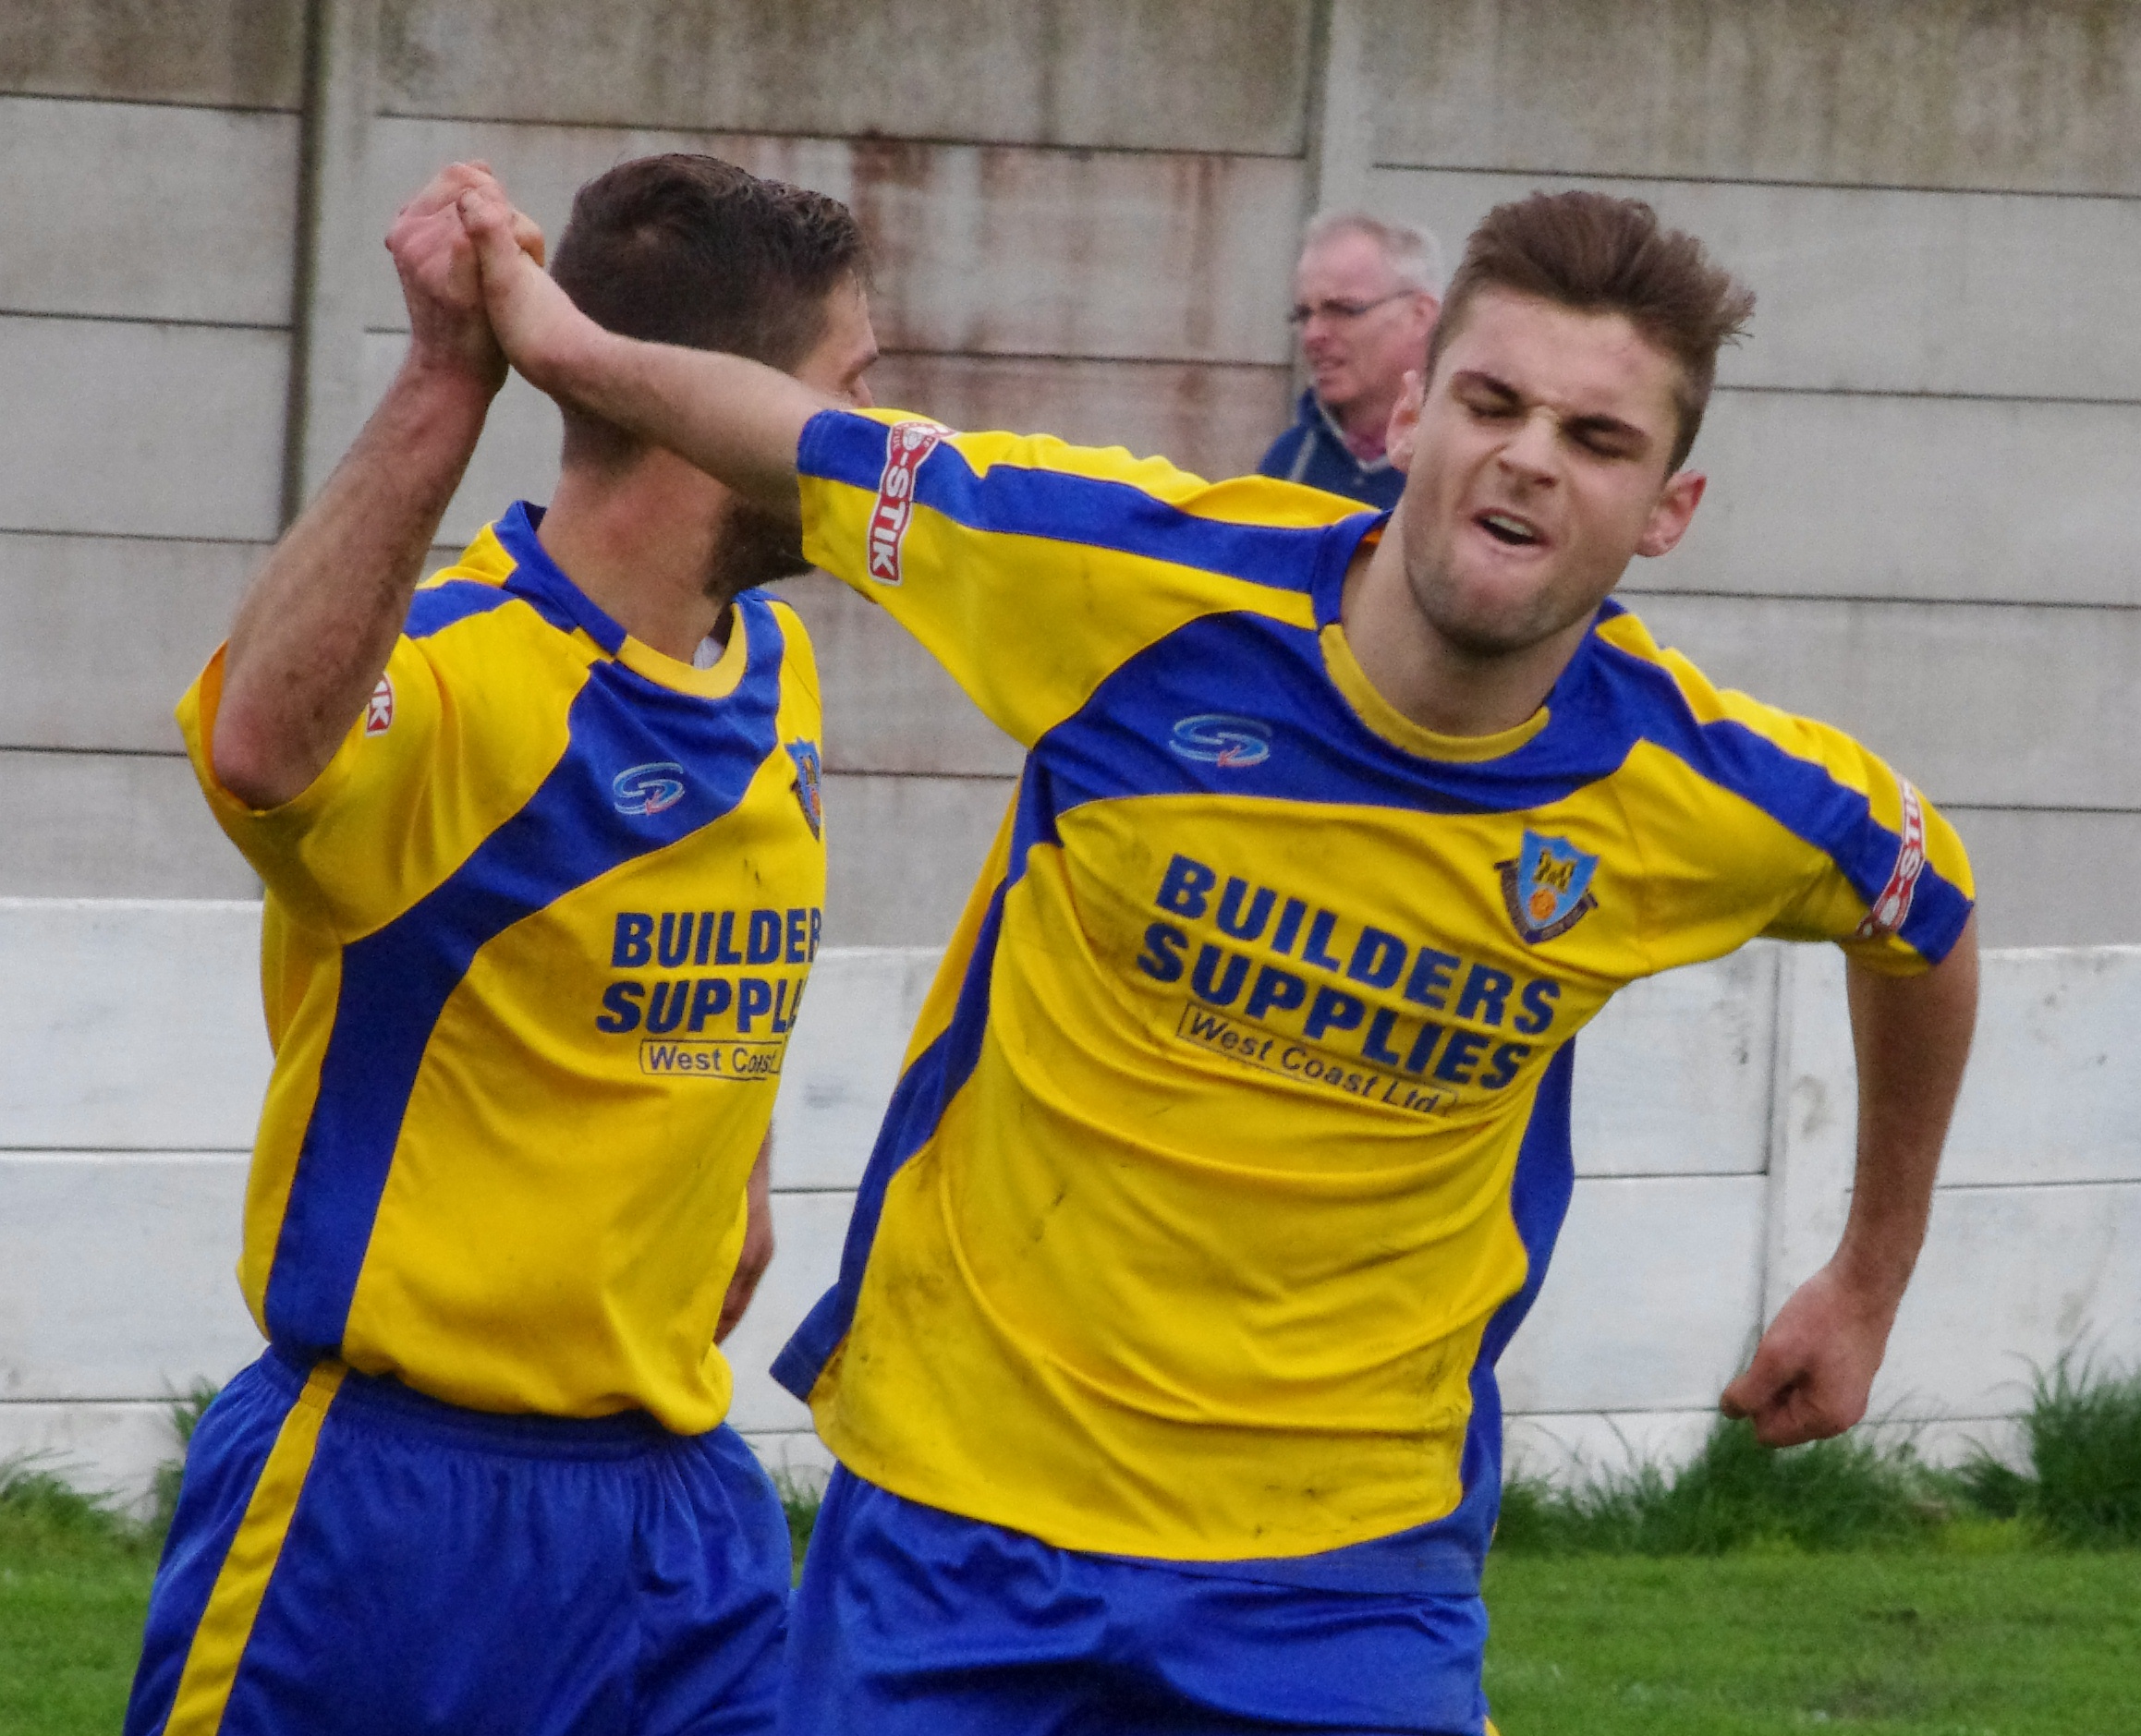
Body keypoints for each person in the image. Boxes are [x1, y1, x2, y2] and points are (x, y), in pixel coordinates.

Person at [457, 176, 1979, 1736]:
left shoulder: (1707, 790)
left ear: (1668, 508)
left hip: (1342, 1567)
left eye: (1596, 439)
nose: (1528, 455)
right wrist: (552, 336)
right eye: (1493, 401)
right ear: (1406, 421)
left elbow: (1923, 910)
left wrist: (1866, 1277)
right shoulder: (1122, 581)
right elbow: (795, 435)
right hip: (957, 1518)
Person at [125, 155, 878, 1736]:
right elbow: (261, 744)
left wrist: (730, 1169)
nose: (869, 446)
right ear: (706, 399)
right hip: (389, 1512)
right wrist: (443, 375)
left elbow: (705, 932)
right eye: (843, 396)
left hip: (683, 1513)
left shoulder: (779, 671)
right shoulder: (465, 675)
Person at [1259, 211, 1442, 509]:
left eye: (1343, 309)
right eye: (1304, 315)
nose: (1312, 335)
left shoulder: (1467, 461)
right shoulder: (1289, 465)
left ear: (1420, 315)